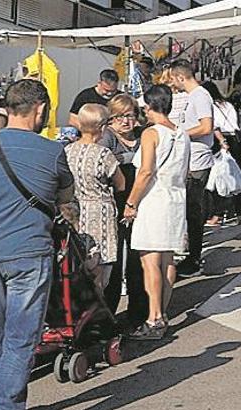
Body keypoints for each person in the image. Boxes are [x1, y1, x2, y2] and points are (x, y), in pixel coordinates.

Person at [0, 79, 75, 410]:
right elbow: (67, 202)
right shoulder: (52, 152)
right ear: (39, 109)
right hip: (28, 254)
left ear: (6, 108)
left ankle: (2, 401)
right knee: (21, 339)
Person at [123, 84, 191, 341]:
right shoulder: (182, 133)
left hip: (154, 199)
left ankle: (154, 318)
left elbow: (146, 171)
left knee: (149, 260)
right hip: (175, 198)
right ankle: (162, 312)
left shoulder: (151, 133)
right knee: (167, 259)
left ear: (150, 106)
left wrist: (131, 203)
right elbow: (184, 172)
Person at [64, 103, 125, 290]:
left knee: (81, 262)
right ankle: (98, 311)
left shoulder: (67, 151)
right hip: (100, 211)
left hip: (75, 211)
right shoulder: (103, 154)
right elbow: (121, 184)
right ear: (102, 127)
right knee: (101, 265)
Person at [99, 94, 147, 323]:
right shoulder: (106, 137)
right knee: (114, 260)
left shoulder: (143, 135)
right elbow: (105, 161)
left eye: (130, 115)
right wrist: (131, 158)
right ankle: (108, 313)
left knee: (138, 257)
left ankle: (139, 311)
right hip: (116, 204)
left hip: (140, 201)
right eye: (120, 117)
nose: (126, 121)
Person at [168, 59, 214, 278]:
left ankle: (194, 258)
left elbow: (206, 126)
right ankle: (189, 254)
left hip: (198, 161)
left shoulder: (200, 95)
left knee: (193, 210)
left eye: (172, 79)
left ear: (179, 77)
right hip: (190, 159)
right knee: (188, 209)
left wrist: (180, 134)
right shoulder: (192, 96)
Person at [201, 80, 241, 226]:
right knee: (233, 177)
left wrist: (222, 142)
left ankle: (217, 214)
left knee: (216, 179)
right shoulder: (227, 104)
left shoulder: (209, 106)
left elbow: (213, 126)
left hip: (219, 140)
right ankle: (236, 211)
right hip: (234, 138)